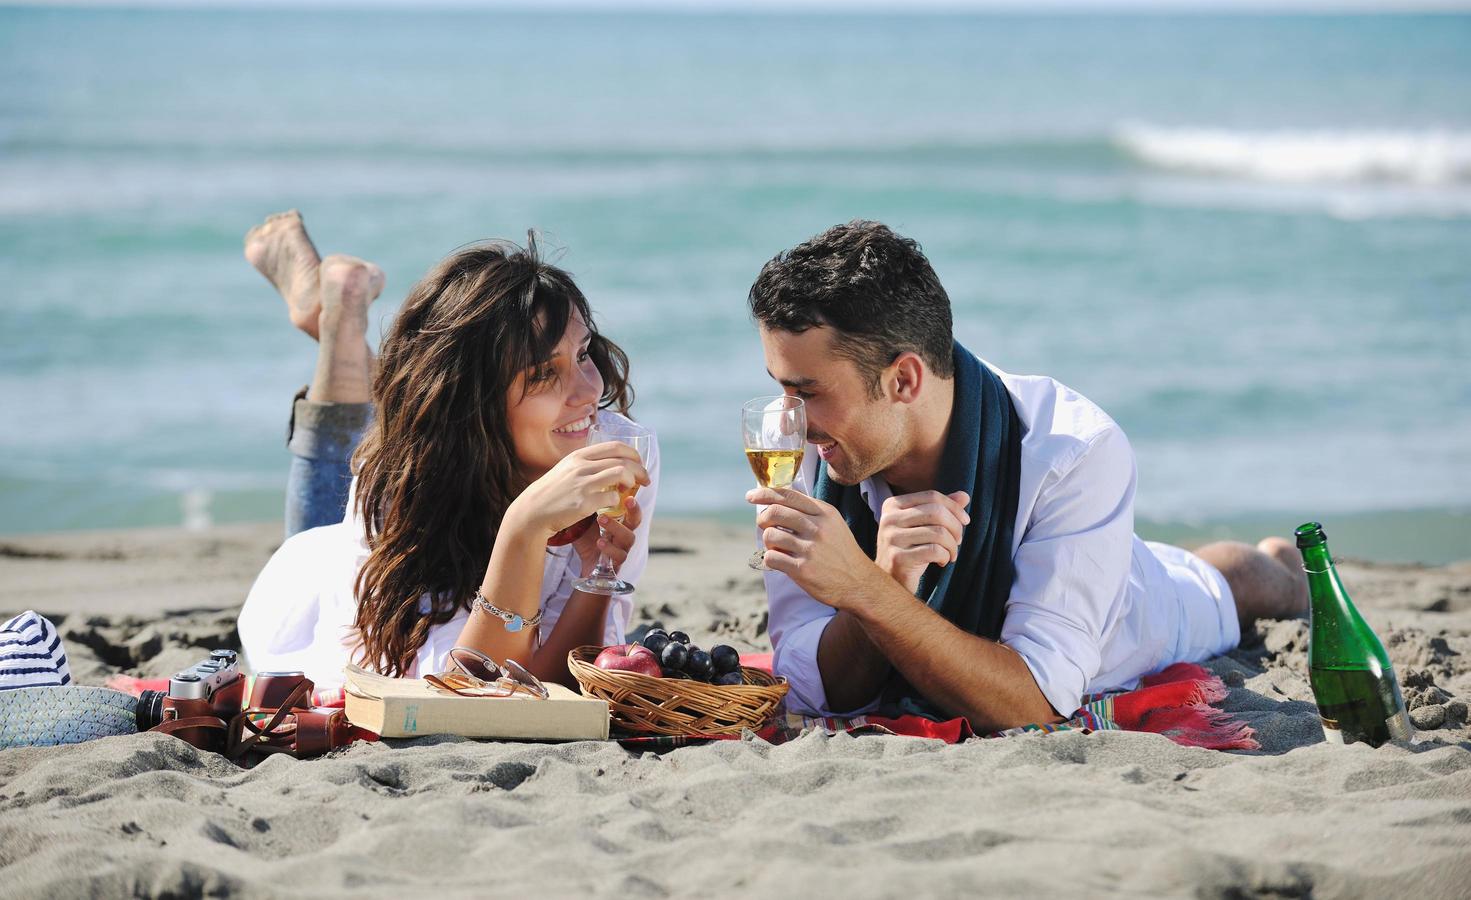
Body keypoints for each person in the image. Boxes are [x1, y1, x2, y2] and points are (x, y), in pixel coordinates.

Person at [745, 220, 1306, 730]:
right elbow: (809, 685)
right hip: (1068, 566)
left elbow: (1033, 704)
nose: (788, 415)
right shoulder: (792, 441)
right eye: (780, 385)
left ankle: (1286, 566)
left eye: (808, 392)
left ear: (905, 381)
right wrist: (887, 582)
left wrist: (866, 590)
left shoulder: (1073, 450)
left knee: (1237, 581)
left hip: (1142, 608)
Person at [236, 211, 657, 688]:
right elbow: (463, 687)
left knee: (409, 407)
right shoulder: (394, 485)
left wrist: (594, 577)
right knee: (362, 461)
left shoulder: (620, 451)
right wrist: (524, 527)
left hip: (442, 440)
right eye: (543, 373)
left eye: (582, 354)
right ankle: (340, 323)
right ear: (476, 405)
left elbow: (558, 682)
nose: (587, 390)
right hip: (313, 592)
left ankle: (338, 318)